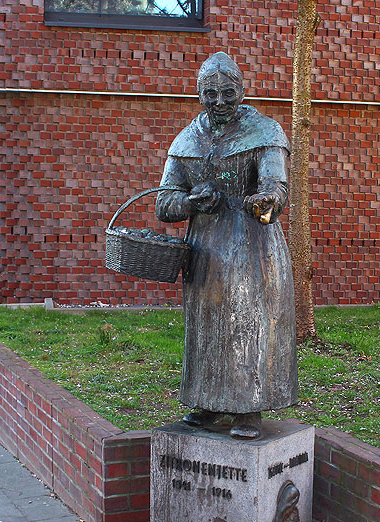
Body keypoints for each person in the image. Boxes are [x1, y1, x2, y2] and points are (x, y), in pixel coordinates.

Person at [156, 52, 298, 440]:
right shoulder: (186, 139)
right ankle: (208, 403)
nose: (219, 102)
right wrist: (189, 202)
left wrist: (265, 200)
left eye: (227, 93)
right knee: (206, 329)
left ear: (241, 90)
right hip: (205, 250)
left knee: (249, 325)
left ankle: (248, 408)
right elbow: (165, 202)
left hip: (253, 246)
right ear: (199, 93)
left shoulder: (265, 132)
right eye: (210, 94)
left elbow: (276, 186)